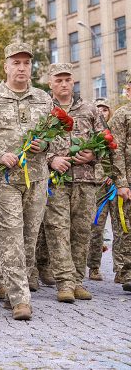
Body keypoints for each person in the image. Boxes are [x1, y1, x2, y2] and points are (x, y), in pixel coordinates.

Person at [0, 42, 53, 320]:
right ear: (5, 66)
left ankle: (11, 287)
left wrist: (45, 145)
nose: (21, 68)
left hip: (37, 179)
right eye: (15, 63)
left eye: (26, 63)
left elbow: (57, 139)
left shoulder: (43, 98)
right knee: (11, 237)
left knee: (29, 238)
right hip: (4, 180)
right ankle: (20, 299)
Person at [41, 63, 103, 303]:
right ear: (50, 83)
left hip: (86, 180)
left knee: (81, 231)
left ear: (73, 81)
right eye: (58, 80)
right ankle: (64, 283)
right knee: (57, 231)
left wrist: (93, 155)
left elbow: (105, 141)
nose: (63, 84)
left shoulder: (89, 109)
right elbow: (31, 142)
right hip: (56, 181)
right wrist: (52, 159)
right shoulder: (44, 108)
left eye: (67, 79)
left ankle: (77, 280)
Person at [87, 98, 117, 282]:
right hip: (97, 184)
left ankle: (122, 270)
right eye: (98, 109)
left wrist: (114, 176)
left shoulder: (118, 130)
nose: (101, 112)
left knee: (121, 227)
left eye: (105, 109)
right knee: (96, 226)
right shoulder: (90, 132)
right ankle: (94, 267)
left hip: (117, 183)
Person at [108, 75, 131, 292]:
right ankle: (126, 272)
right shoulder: (122, 116)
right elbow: (116, 151)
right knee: (125, 227)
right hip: (128, 181)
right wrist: (122, 182)